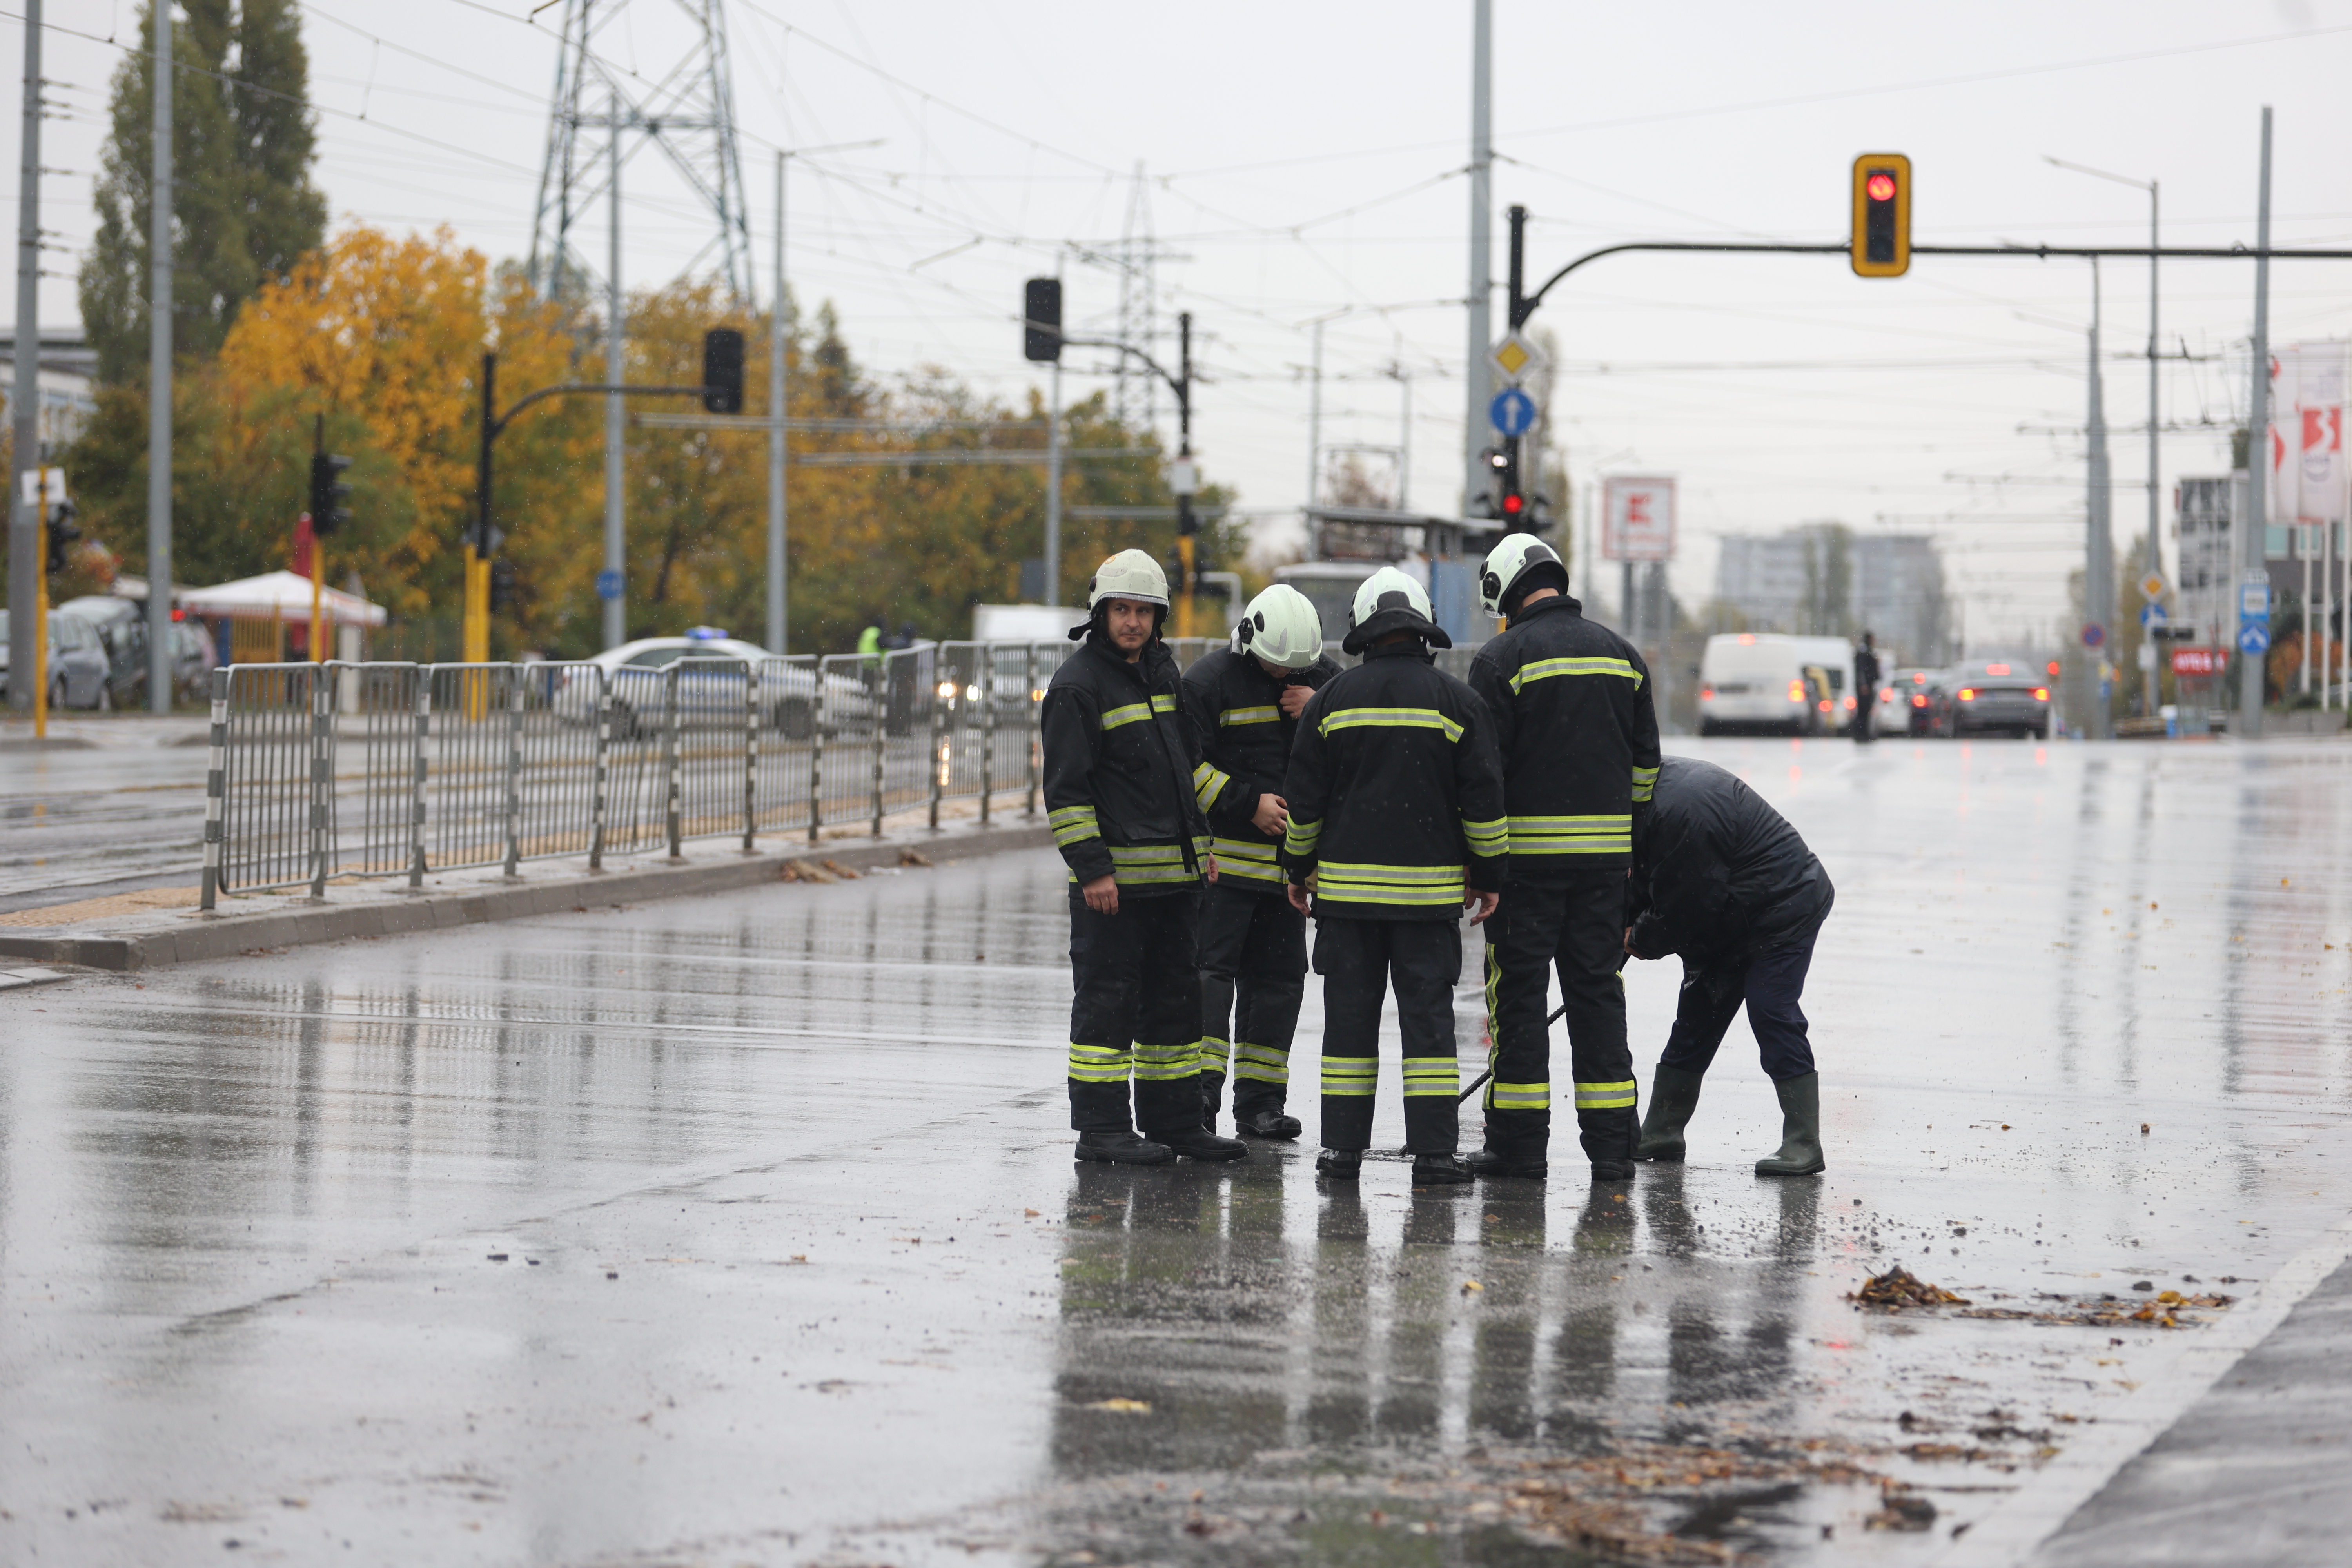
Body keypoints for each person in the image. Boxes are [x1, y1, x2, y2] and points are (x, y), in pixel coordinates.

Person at [1282, 566, 1507, 1186]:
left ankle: (1341, 1153)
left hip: (1348, 907)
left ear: (1362, 631)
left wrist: (1298, 870)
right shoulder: (1460, 703)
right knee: (1428, 1030)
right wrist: (1489, 876)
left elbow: (1306, 807)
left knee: (1349, 1028)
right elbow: (1484, 806)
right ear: (1422, 630)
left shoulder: (1329, 703)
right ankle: (1434, 1155)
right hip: (1428, 907)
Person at [1040, 549, 1249, 1167]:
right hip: (1116, 891)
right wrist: (1093, 869)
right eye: (1122, 610)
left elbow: (1184, 773)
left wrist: (1203, 850)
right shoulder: (1078, 686)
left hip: (1176, 886)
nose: (1132, 622)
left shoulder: (1163, 676)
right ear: (1100, 614)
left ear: (1158, 620)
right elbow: (1067, 792)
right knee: (1108, 1007)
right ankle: (1102, 1130)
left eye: (1144, 611)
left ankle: (1176, 1123)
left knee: (1174, 1008)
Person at [1465, 537, 1661, 1184]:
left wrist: (1483, 866)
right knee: (1598, 997)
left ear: (1507, 591)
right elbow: (1645, 773)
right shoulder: (1624, 658)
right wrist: (1626, 850)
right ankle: (1613, 1150)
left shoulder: (1500, 660)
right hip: (1605, 870)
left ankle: (1519, 1149)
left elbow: (1484, 777)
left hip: (1525, 872)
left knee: (1519, 1003)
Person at [1180, 583, 1341, 1140]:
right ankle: (1198, 1099)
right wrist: (1248, 804)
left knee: (1278, 984)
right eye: (1277, 668)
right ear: (1248, 642)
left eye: (1298, 668)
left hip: (1290, 876)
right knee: (1211, 980)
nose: (1285, 677)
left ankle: (1261, 1104)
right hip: (1224, 869)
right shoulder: (1209, 683)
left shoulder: (1323, 679)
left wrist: (1319, 703)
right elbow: (1186, 769)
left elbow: (1357, 745)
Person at [1625, 755, 1835, 1176]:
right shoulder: (1637, 806)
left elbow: (1685, 905)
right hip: (1726, 915)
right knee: (1696, 1019)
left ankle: (1803, 1142)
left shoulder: (1682, 809)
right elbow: (1641, 884)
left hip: (1783, 906)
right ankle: (1663, 1131)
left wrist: (1641, 939)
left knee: (1771, 1009)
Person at [1853, 631, 1881, 744]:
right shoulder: (1864, 651)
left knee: (1867, 711)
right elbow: (1861, 670)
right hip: (1865, 687)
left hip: (1869, 685)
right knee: (1863, 711)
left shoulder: (1868, 651)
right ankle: (1861, 734)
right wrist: (1863, 684)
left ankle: (1865, 733)